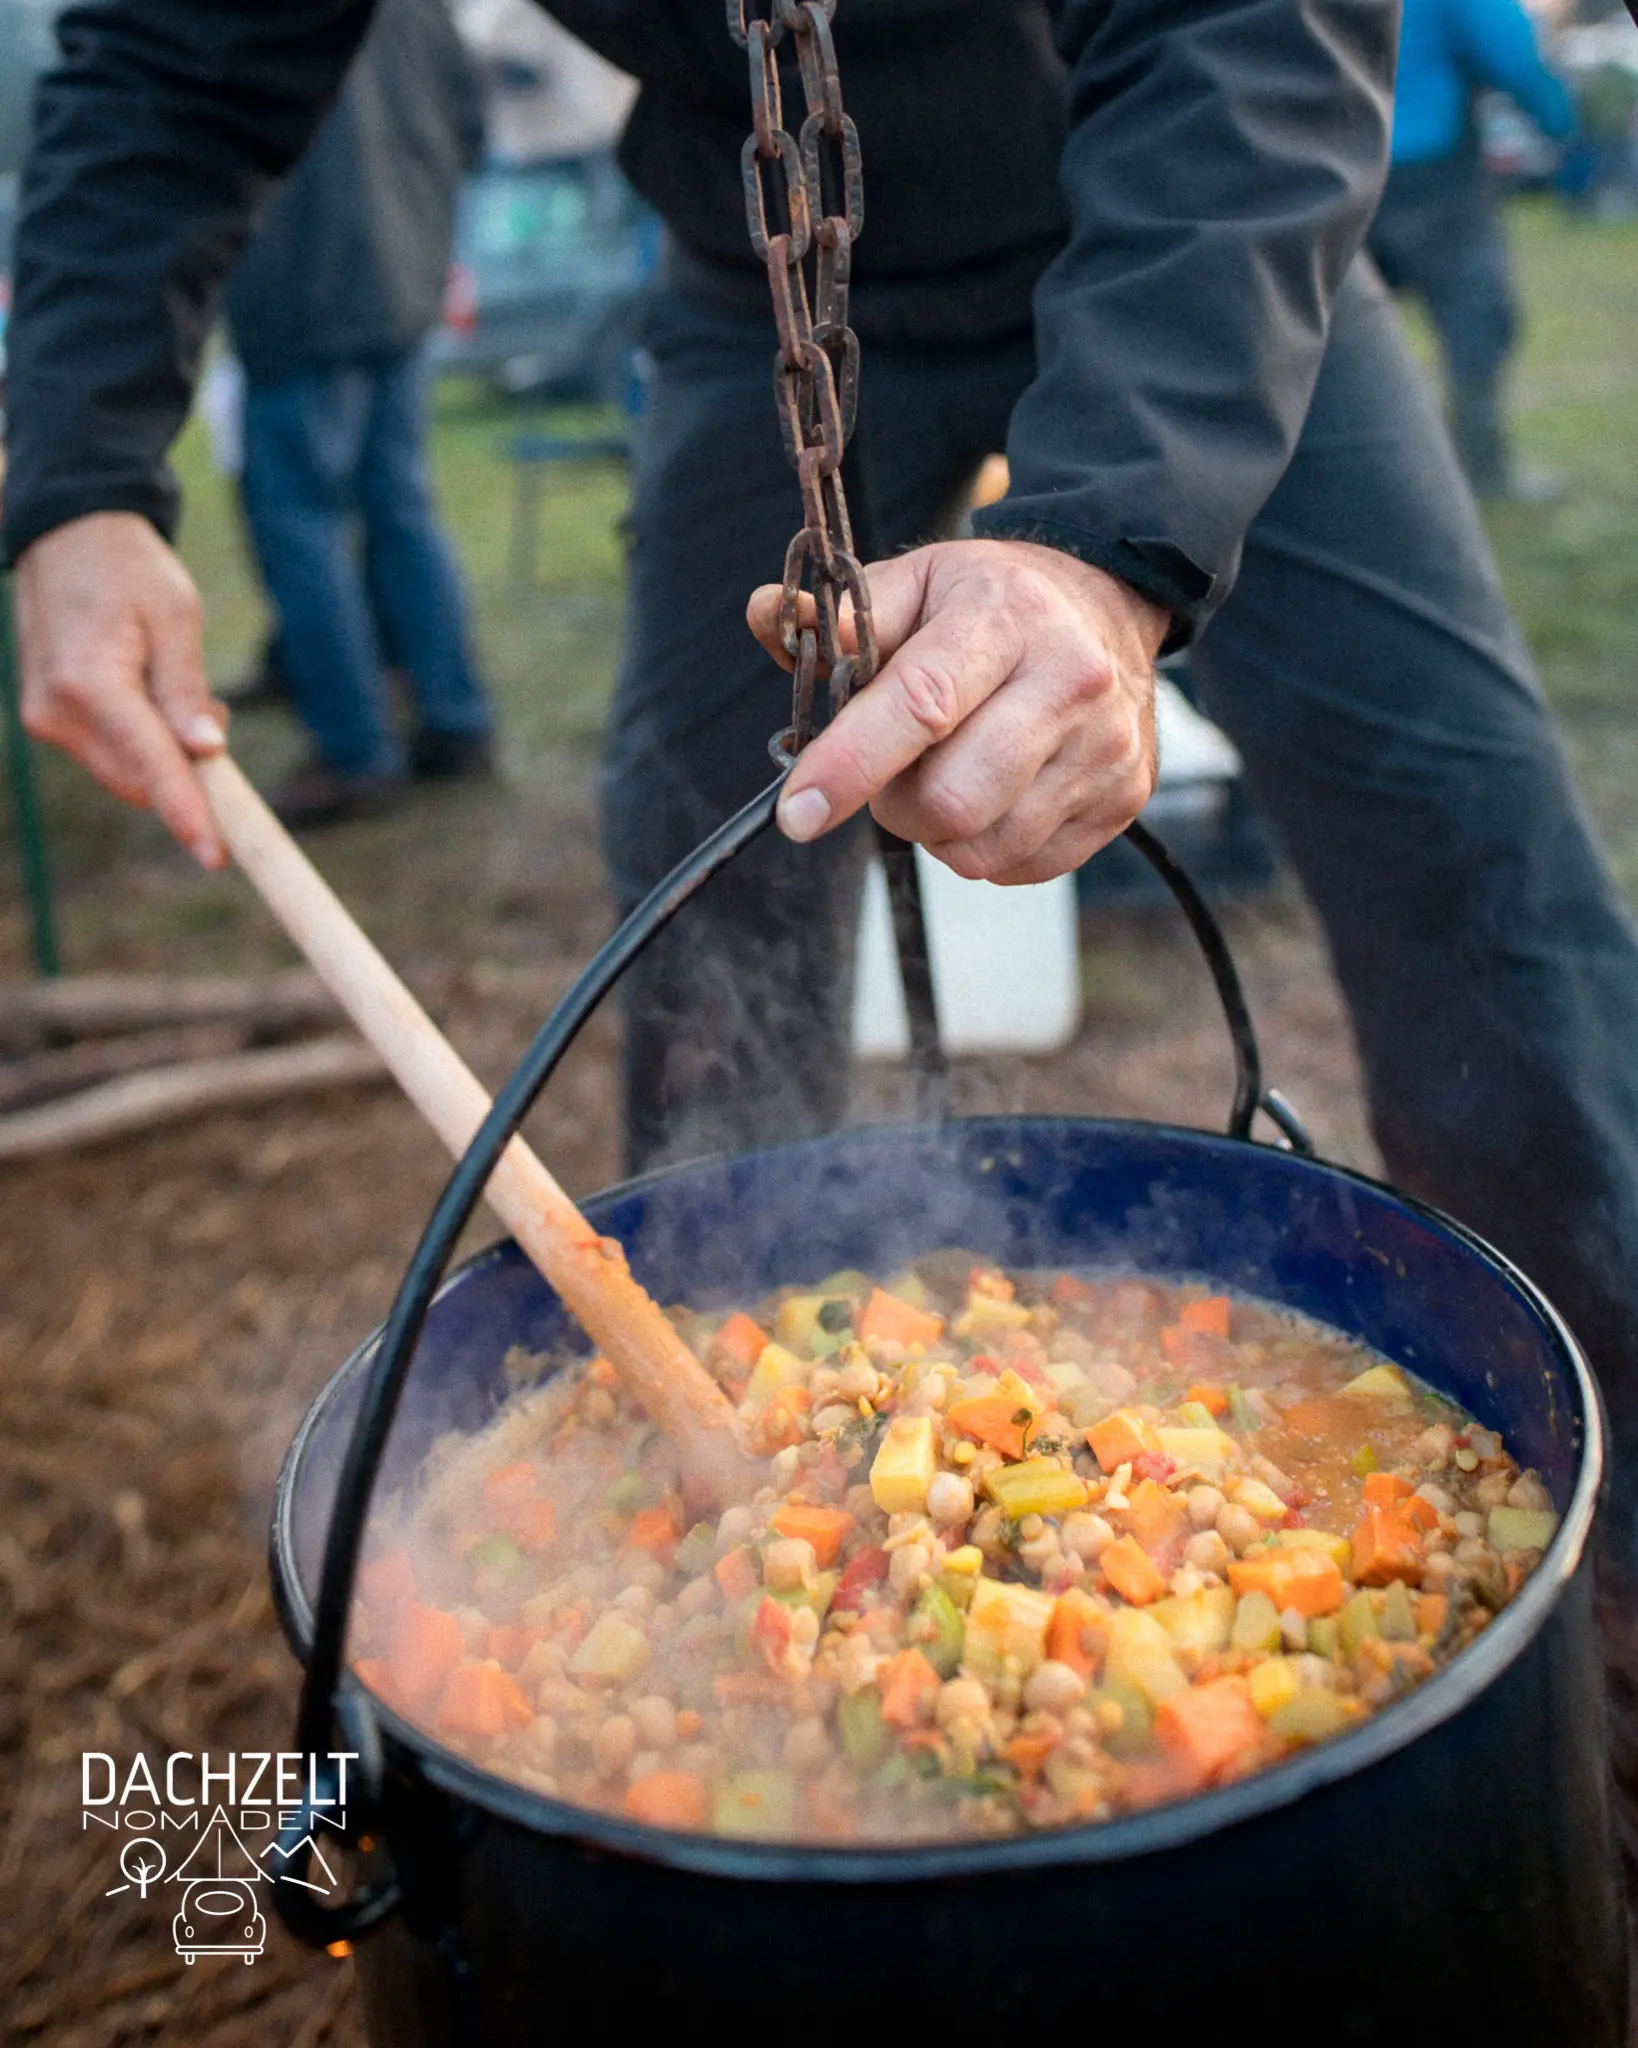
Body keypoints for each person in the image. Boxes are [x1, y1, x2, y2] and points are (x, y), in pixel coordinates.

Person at [2, 0, 1636, 1841]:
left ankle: (1621, 1589)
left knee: (1479, 871)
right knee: (710, 907)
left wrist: (1110, 542)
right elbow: (168, 52)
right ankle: (716, 1581)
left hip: (1175, 225)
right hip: (754, 288)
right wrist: (73, 475)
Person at [225, 0, 495, 825]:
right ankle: (455, 722)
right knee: (398, 504)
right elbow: (470, 126)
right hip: (401, 281)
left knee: (297, 521)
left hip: (306, 291)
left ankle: (355, 751)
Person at [1366, 0, 1575, 496]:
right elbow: (1510, 51)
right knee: (1475, 317)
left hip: (1338, 166)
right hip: (1437, 170)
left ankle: (1345, 485)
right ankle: (1484, 469)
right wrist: (1559, 121)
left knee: (1326, 330)